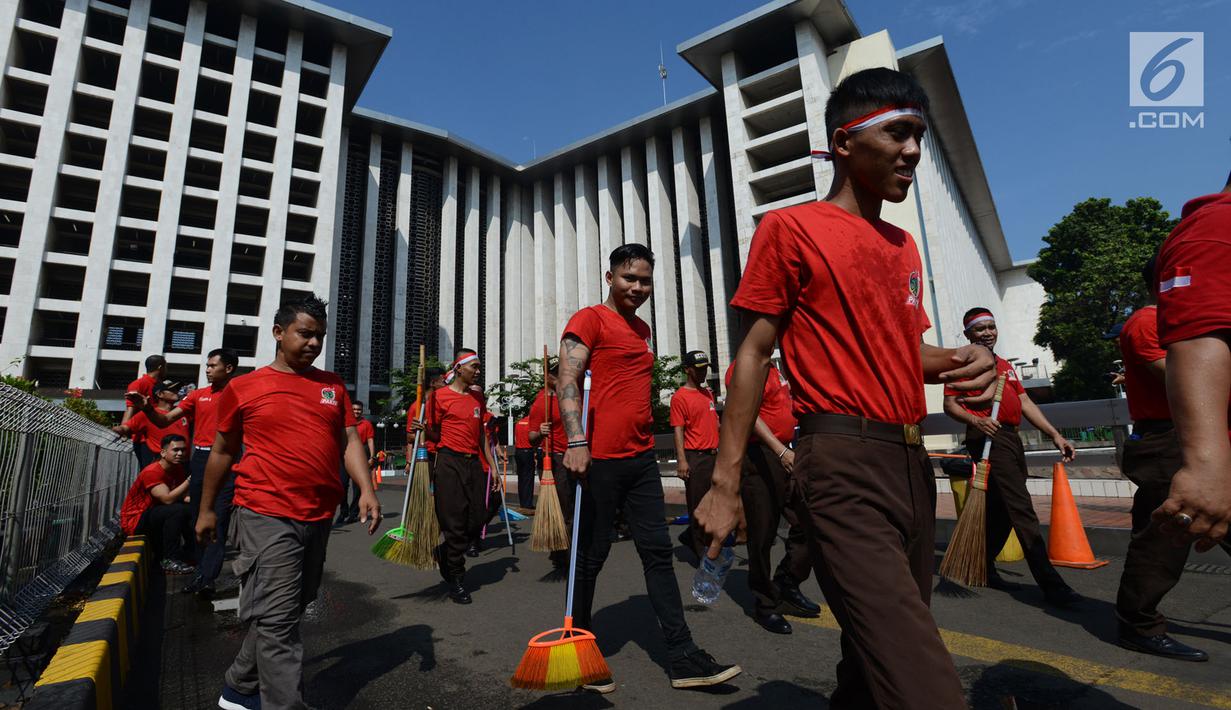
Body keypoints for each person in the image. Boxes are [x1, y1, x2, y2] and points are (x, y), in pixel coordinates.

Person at [694, 68, 996, 709]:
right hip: (840, 463)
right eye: (898, 133)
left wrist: (962, 359)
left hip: (913, 465)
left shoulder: (904, 246)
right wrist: (724, 485)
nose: (913, 150)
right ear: (843, 143)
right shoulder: (790, 228)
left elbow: (907, 352)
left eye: (919, 135)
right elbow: (752, 356)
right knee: (919, 670)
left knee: (874, 653)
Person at [557, 243, 741, 693]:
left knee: (657, 554)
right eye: (629, 278)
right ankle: (578, 650)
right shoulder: (590, 319)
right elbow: (568, 379)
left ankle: (682, 656)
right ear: (610, 279)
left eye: (645, 280)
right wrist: (577, 440)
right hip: (598, 459)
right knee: (591, 557)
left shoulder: (642, 329)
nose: (637, 287)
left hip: (640, 460)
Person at [196, 294, 381, 710]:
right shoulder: (244, 387)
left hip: (318, 515)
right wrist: (207, 508)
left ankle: (237, 689)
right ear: (279, 333)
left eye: (320, 336)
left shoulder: (332, 386)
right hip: (264, 512)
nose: (314, 343)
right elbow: (222, 451)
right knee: (278, 622)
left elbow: (349, 439)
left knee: (291, 606)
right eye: (305, 333)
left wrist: (366, 489)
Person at [1115, 257, 1229, 662]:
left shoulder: (1179, 322)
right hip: (1166, 443)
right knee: (1162, 537)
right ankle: (1138, 623)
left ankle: (1136, 618)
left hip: (1191, 439)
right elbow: (1178, 376)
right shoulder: (1148, 322)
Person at [943, 308, 1083, 607]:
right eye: (980, 329)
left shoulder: (1005, 365)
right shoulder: (965, 364)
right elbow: (950, 405)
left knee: (1000, 509)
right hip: (987, 437)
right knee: (1020, 508)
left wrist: (1055, 435)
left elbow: (1023, 401)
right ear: (968, 334)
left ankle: (979, 565)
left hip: (1010, 438)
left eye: (991, 327)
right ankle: (1052, 585)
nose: (988, 333)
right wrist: (976, 421)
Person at [128, 348, 239, 595]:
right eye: (207, 365)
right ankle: (202, 571)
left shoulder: (242, 394)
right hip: (199, 459)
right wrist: (146, 408)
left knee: (216, 519)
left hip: (227, 460)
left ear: (228, 368)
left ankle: (207, 578)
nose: (207, 370)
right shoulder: (197, 396)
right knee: (196, 518)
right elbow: (164, 421)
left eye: (212, 366)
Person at [724, 359, 819, 635]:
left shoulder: (777, 369)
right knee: (762, 535)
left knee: (807, 521)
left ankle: (787, 582)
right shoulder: (744, 367)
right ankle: (765, 604)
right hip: (761, 456)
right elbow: (748, 413)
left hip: (790, 453)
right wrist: (780, 451)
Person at [414, 349, 496, 604]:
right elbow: (435, 434)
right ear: (459, 368)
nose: (478, 371)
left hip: (474, 464)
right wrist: (423, 430)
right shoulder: (438, 398)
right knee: (454, 522)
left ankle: (445, 551)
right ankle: (456, 580)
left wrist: (492, 467)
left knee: (478, 518)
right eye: (475, 366)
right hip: (448, 462)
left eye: (480, 366)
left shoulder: (476, 399)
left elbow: (482, 436)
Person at [669, 350, 720, 559]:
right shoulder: (680, 397)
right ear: (687, 370)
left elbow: (715, 422)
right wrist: (681, 460)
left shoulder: (707, 393)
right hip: (695, 457)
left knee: (713, 503)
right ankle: (701, 552)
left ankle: (695, 537)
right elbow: (678, 429)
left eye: (705, 368)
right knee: (698, 505)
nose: (703, 373)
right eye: (698, 369)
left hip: (714, 455)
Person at [119, 433, 194, 574]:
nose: (180, 453)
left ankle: (192, 551)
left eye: (183, 450)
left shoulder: (177, 468)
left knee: (190, 508)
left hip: (155, 513)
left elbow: (183, 496)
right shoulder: (152, 471)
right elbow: (167, 499)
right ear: (163, 453)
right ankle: (169, 559)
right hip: (135, 519)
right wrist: (189, 480)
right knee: (177, 510)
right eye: (175, 450)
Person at [528, 356, 572, 568]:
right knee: (561, 505)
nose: (561, 377)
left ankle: (569, 545)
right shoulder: (541, 402)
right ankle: (561, 552)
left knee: (571, 504)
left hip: (570, 455)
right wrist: (540, 433)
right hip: (553, 458)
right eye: (557, 374)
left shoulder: (568, 396)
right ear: (548, 377)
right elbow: (531, 437)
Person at [114, 382, 191, 463]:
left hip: (183, 462)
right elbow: (125, 427)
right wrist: (115, 430)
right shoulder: (148, 414)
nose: (176, 391)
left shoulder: (182, 412)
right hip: (162, 463)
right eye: (171, 390)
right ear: (160, 394)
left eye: (176, 389)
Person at [122, 354, 167, 468]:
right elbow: (130, 408)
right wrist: (124, 429)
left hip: (159, 437)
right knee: (149, 472)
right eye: (166, 367)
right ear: (160, 367)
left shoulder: (160, 386)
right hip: (144, 439)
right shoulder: (138, 384)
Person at [337, 400, 376, 525]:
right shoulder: (344, 423)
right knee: (342, 485)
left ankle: (353, 513)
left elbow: (370, 440)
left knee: (357, 487)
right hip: (345, 453)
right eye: (354, 409)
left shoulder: (367, 424)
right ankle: (344, 510)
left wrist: (372, 456)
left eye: (359, 409)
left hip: (362, 453)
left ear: (362, 411)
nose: (356, 411)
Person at [513, 415, 538, 511]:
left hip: (518, 451)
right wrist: (535, 453)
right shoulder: (532, 423)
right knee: (528, 479)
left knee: (521, 478)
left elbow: (516, 438)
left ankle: (522, 503)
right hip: (528, 451)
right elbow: (533, 439)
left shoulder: (519, 422)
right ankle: (527, 505)